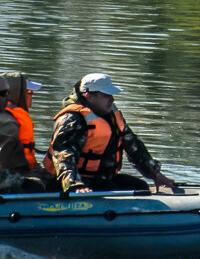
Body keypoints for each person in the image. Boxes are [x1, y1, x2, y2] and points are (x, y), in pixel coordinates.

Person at [43, 72, 175, 195]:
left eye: (111, 95)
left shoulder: (112, 115)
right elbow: (63, 154)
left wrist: (155, 175)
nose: (112, 99)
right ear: (89, 96)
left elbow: (133, 146)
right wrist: (74, 185)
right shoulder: (72, 119)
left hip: (100, 178)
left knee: (139, 186)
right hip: (68, 182)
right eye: (106, 95)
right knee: (111, 189)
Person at [0, 71, 44, 173]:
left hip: (25, 172)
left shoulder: (17, 115)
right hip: (11, 178)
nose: (32, 94)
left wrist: (40, 172)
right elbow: (4, 160)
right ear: (17, 93)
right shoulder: (6, 119)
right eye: (29, 92)